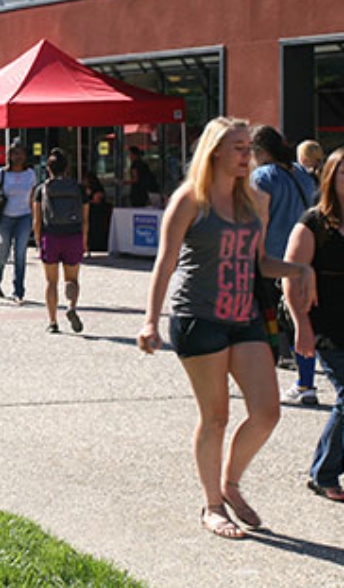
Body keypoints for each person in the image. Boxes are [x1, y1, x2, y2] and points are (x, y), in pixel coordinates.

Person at [137, 117, 312, 539]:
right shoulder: (190, 200)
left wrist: (299, 268)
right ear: (214, 150)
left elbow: (259, 264)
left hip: (245, 316)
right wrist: (149, 320)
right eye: (238, 148)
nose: (246, 157)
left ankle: (230, 484)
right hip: (199, 319)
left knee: (268, 411)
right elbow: (166, 262)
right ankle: (212, 505)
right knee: (215, 416)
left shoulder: (255, 201)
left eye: (248, 149)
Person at [284, 145, 344, 502]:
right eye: (343, 173)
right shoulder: (313, 223)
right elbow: (291, 275)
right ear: (329, 178)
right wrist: (301, 325)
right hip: (327, 326)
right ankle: (322, 473)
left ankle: (325, 468)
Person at [250, 125, 318, 405]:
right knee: (301, 320)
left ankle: (263, 384)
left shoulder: (262, 177)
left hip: (272, 258)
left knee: (266, 324)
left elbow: (259, 220)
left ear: (260, 152)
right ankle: (306, 383)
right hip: (305, 255)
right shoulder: (302, 173)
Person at [32, 149, 88, 334]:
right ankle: (71, 306)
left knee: (51, 282)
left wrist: (39, 240)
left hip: (52, 236)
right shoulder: (78, 188)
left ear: (48, 168)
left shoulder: (42, 189)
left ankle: (53, 322)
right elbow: (86, 218)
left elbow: (37, 220)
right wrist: (85, 241)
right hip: (73, 235)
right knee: (72, 279)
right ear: (67, 168)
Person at [0, 141, 36, 303]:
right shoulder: (1, 173)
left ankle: (19, 291)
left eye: (21, 153)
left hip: (24, 217)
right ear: (9, 155)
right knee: (3, 252)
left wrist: (35, 219)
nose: (18, 156)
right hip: (5, 218)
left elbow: (32, 199)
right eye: (15, 153)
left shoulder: (30, 174)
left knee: (20, 254)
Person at [83, 171, 112, 253]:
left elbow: (97, 200)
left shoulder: (98, 189)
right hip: (91, 213)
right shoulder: (86, 189)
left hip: (98, 214)